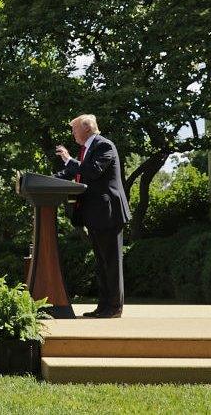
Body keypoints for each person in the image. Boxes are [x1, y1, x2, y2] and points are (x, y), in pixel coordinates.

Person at [54, 114, 131, 318]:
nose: (72, 133)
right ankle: (104, 306)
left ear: (87, 128)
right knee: (101, 264)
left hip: (109, 213)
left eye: (74, 129)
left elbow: (92, 171)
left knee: (111, 263)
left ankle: (114, 308)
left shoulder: (104, 145)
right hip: (96, 214)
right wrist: (48, 179)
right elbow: (78, 172)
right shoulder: (88, 148)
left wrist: (69, 160)